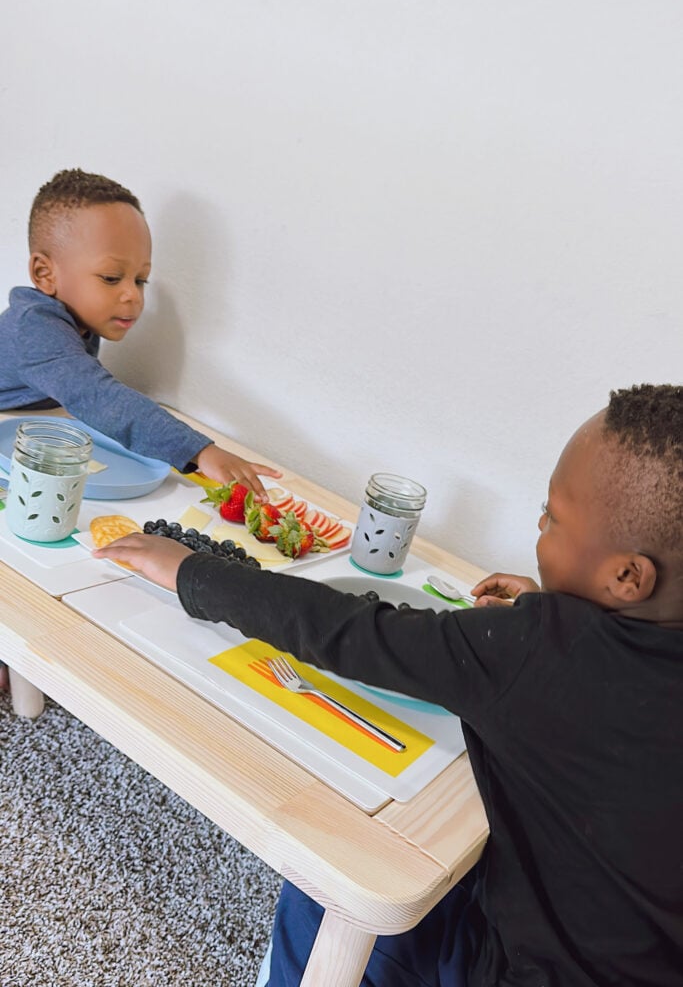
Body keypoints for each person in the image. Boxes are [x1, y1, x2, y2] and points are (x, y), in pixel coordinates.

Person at [94, 383, 683, 986]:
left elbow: (351, 630)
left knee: (334, 882)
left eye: (552, 516)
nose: (538, 522)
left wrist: (189, 570)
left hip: (520, 967)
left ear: (627, 576)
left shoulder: (540, 655)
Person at [0, 168, 280, 496]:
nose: (132, 295)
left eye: (140, 280)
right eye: (110, 278)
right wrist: (199, 451)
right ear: (44, 273)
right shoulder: (35, 329)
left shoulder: (74, 318)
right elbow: (98, 396)